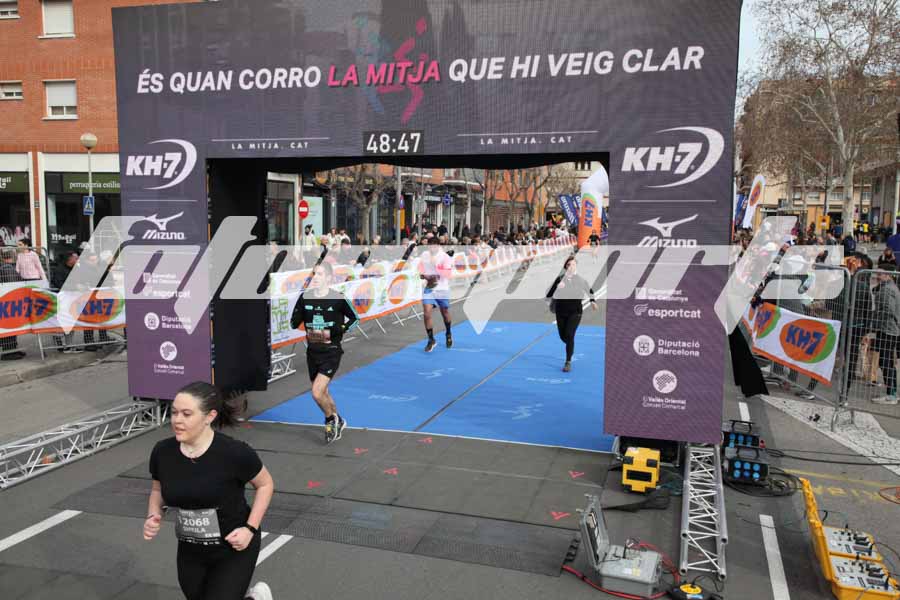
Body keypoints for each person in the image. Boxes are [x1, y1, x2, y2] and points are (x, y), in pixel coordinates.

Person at [142, 382, 275, 600]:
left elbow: (265, 485)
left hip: (233, 546)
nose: (177, 420)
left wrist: (250, 529)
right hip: (190, 549)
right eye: (174, 412)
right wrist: (153, 515)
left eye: (186, 414)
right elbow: (158, 490)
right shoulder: (162, 452)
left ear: (209, 416)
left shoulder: (234, 452)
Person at [289, 261, 357, 443]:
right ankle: (338, 419)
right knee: (323, 393)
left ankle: (329, 420)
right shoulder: (305, 297)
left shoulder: (338, 298)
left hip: (331, 351)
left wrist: (340, 329)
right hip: (312, 352)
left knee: (316, 392)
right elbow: (294, 323)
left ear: (328, 277)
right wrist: (298, 313)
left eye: (319, 274)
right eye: (314, 274)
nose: (315, 278)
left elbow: (355, 319)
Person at [546, 256, 597, 372]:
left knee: (569, 335)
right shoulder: (559, 279)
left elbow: (589, 291)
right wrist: (557, 288)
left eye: (573, 264)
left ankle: (568, 362)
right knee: (563, 337)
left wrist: (593, 301)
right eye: (569, 264)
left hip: (575, 312)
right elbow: (549, 294)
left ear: (576, 266)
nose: (571, 266)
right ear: (565, 267)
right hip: (561, 312)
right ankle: (570, 344)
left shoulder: (580, 280)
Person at [871, 265, 900, 405]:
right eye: (877, 273)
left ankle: (891, 394)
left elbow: (888, 309)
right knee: (887, 361)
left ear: (888, 275)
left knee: (885, 361)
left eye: (880, 274)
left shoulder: (888, 289)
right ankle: (892, 392)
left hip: (887, 329)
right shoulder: (890, 287)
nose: (877, 276)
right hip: (889, 329)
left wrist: (875, 321)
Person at [419, 236, 453, 352]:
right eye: (430, 246)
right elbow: (421, 268)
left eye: (434, 246)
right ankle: (431, 339)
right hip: (429, 287)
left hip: (442, 288)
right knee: (426, 313)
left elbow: (448, 274)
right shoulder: (424, 255)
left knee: (445, 312)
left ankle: (448, 332)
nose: (431, 249)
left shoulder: (445, 257)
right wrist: (423, 275)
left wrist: (436, 267)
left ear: (438, 246)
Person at [0, 247, 25, 360]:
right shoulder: (7, 268)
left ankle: (12, 349)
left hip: (9, 300)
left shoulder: (7, 267)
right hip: (9, 301)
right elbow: (12, 284)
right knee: (9, 326)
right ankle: (9, 351)